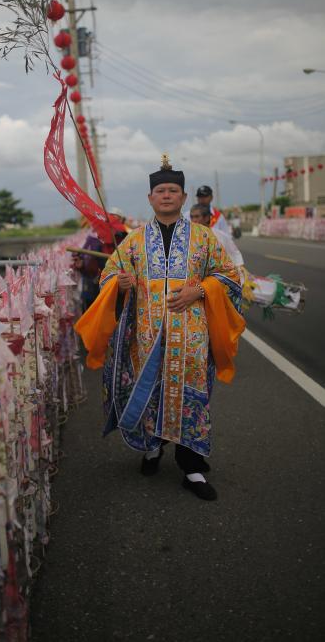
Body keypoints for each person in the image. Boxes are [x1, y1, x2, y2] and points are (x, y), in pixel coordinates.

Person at [75, 157, 245, 501]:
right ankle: (152, 448)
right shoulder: (134, 241)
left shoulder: (204, 238)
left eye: (173, 190)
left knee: (190, 396)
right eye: (160, 190)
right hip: (147, 335)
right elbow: (108, 276)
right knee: (151, 393)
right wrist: (120, 283)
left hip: (193, 335)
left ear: (183, 198)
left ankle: (192, 466)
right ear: (150, 198)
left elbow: (229, 276)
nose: (166, 195)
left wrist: (198, 290)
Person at [72, 208, 128, 310]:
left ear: (122, 221)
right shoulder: (93, 239)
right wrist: (82, 265)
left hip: (119, 289)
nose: (111, 223)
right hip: (94, 289)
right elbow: (88, 266)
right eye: (109, 219)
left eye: (115, 220)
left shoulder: (127, 239)